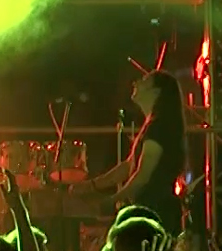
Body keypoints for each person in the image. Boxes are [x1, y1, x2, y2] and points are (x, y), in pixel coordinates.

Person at [71, 70, 188, 233]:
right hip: (152, 210)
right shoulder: (154, 124)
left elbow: (143, 175)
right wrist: (92, 186)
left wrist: (111, 200)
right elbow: (129, 166)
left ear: (156, 92)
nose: (135, 83)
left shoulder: (159, 127)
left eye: (144, 80)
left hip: (156, 212)